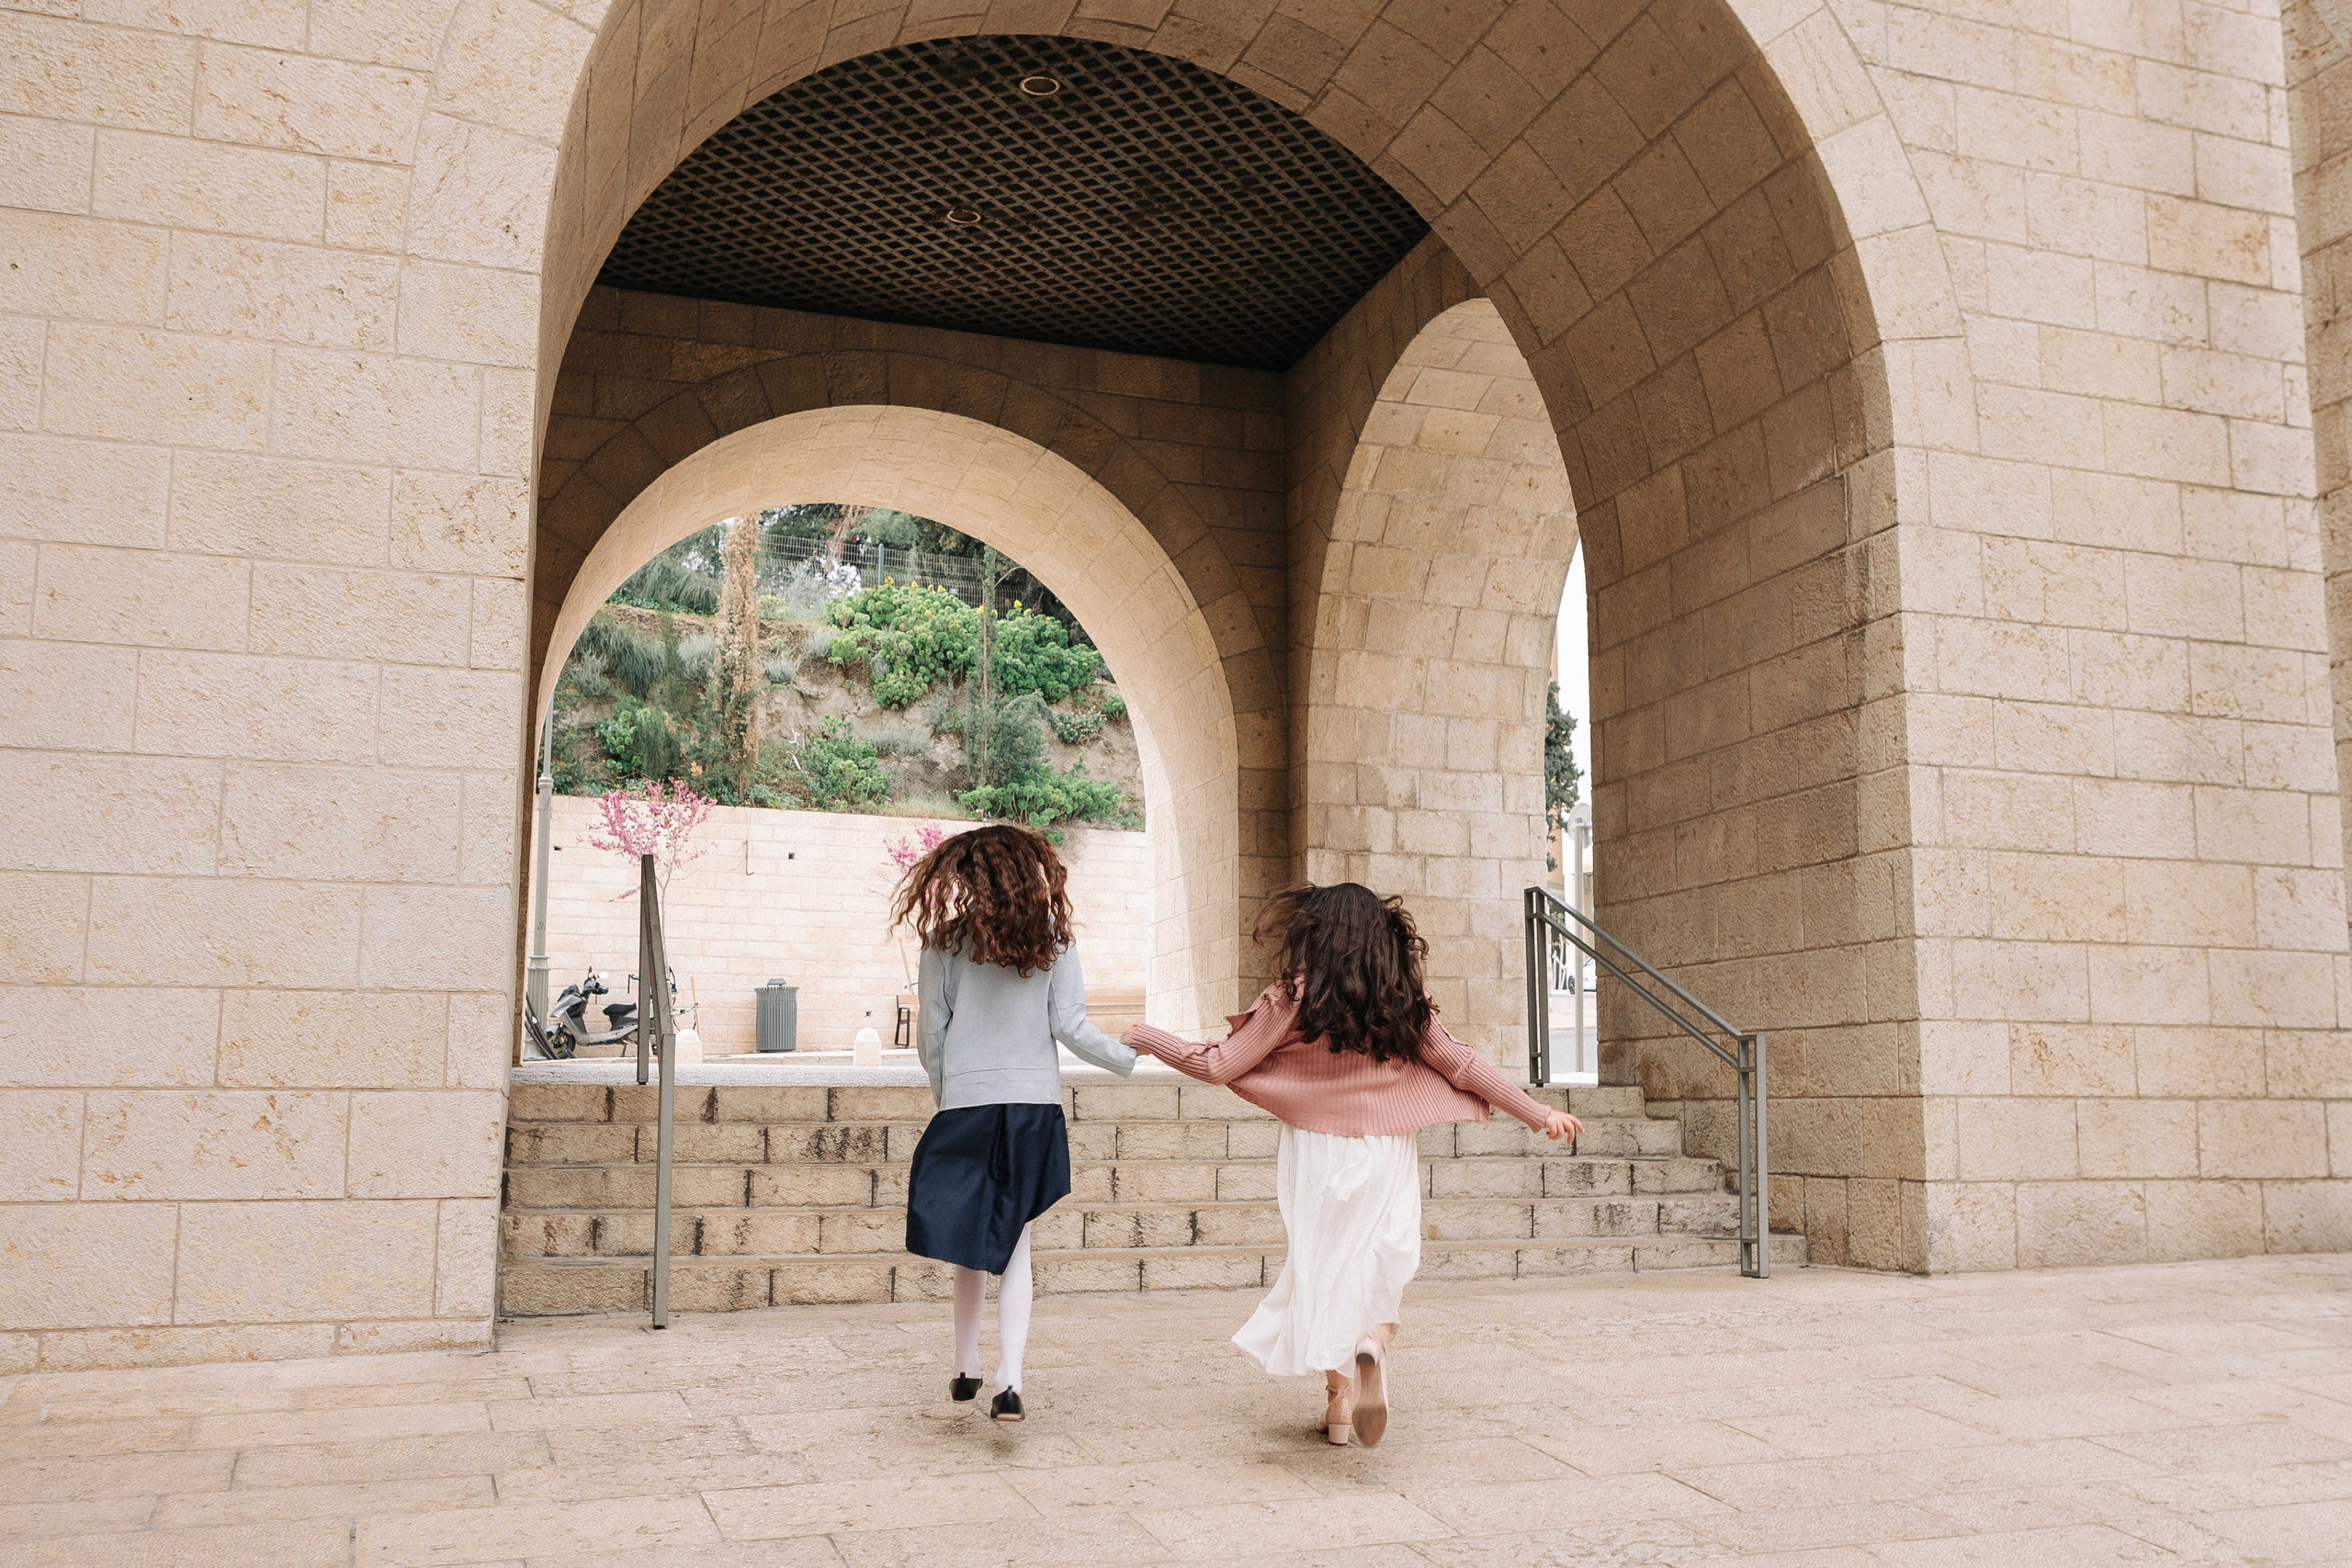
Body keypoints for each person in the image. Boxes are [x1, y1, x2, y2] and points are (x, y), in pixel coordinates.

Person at [1122, 882, 1579, 1448]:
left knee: (1324, 1268)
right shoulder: (1401, 996)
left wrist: (1148, 1038)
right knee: (1385, 1255)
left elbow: (1218, 1064)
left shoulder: (1292, 998)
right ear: (1382, 936)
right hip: (1385, 1145)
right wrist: (1535, 1112)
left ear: (1317, 934)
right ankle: (1374, 1341)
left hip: (1314, 1147)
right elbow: (1461, 1065)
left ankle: (1339, 1406)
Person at [894, 823, 1136, 1422]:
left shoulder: (944, 942)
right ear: (1030, 871)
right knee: (1017, 1239)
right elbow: (1072, 1026)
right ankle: (1010, 1379)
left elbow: (933, 1037)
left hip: (968, 1105)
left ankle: (964, 1364)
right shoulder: (1053, 938)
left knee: (968, 1243)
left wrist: (946, 1098)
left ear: (966, 874)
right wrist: (1128, 1057)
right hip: (1032, 1106)